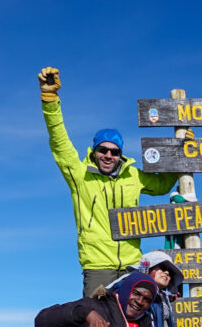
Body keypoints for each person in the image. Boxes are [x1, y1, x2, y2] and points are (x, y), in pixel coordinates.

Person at [38, 67, 180, 297]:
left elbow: (162, 186)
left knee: (133, 326)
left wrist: (182, 153)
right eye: (102, 150)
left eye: (114, 152)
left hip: (133, 265)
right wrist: (49, 101)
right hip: (97, 267)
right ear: (94, 151)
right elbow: (58, 140)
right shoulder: (80, 174)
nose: (108, 155)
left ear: (120, 155)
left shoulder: (133, 175)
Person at [138, 251, 185, 327]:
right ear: (148, 269)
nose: (167, 272)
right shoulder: (133, 290)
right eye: (163, 268)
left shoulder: (163, 297)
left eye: (170, 272)